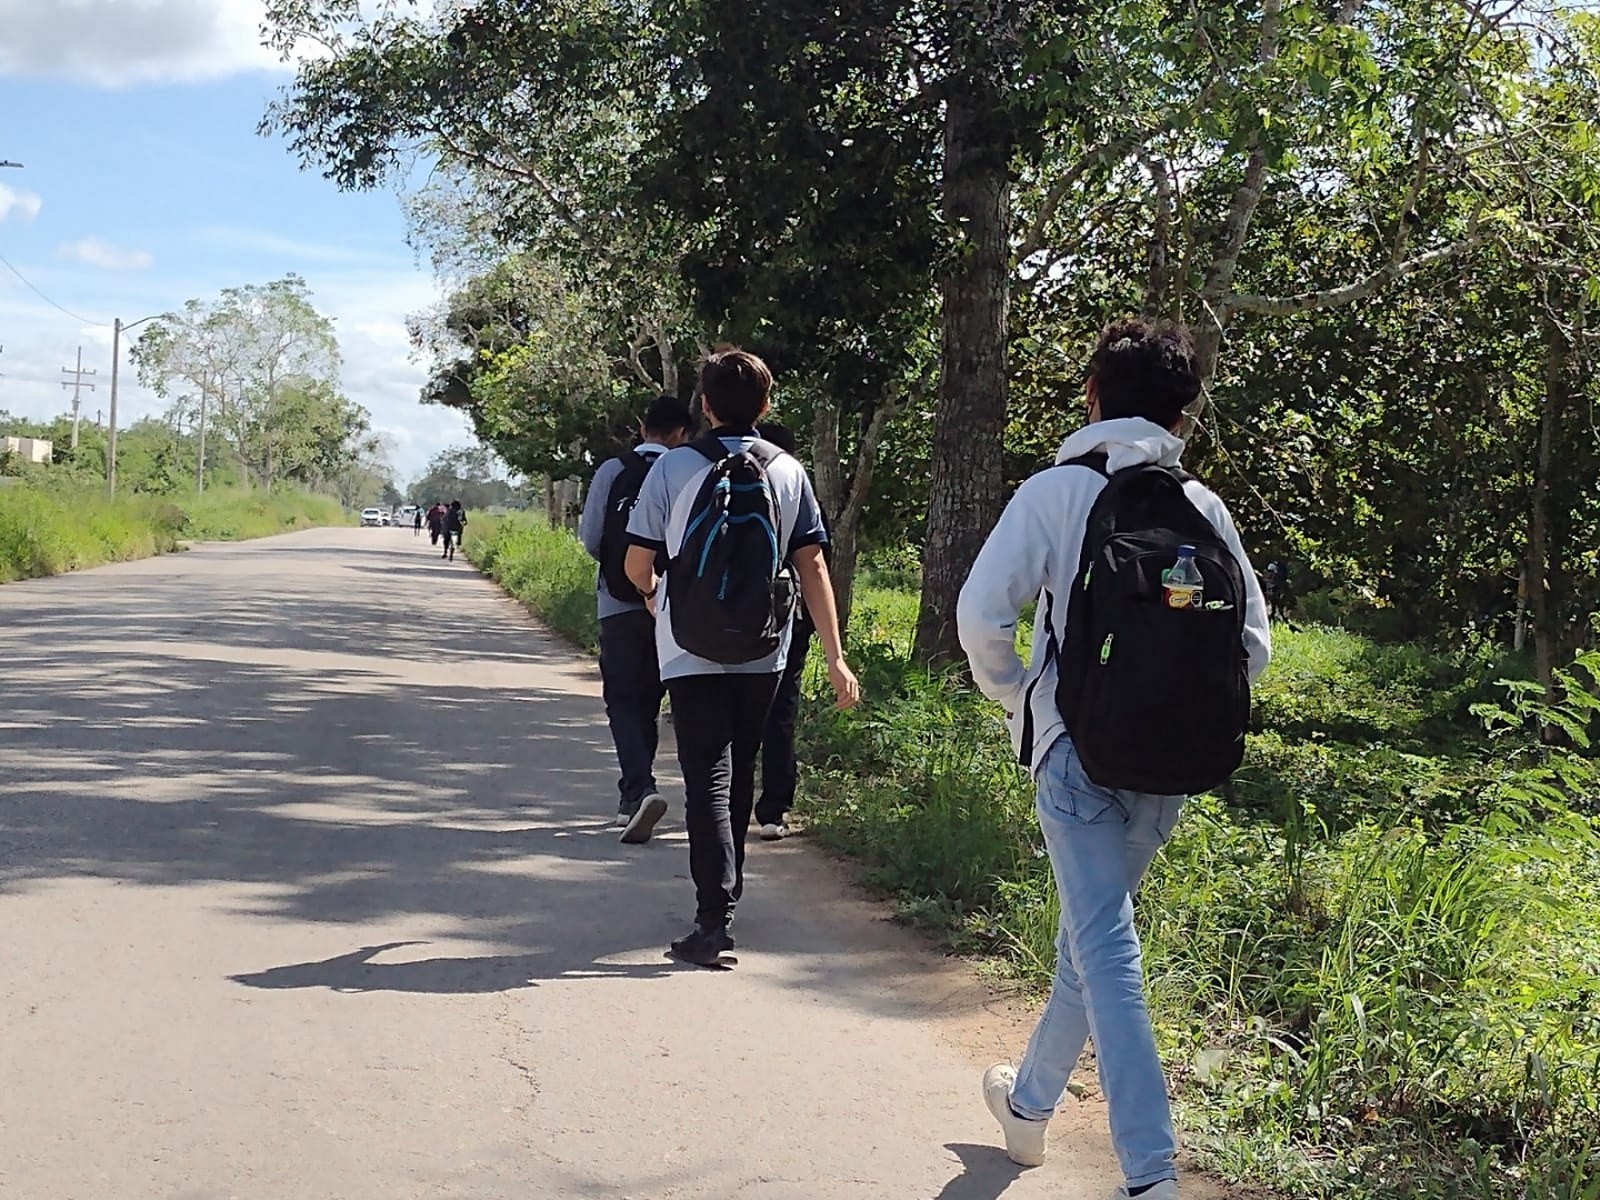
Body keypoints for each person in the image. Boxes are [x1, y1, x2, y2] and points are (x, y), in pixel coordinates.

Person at [957, 319, 1271, 1200]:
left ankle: (1150, 1177)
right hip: (1170, 764)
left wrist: (1022, 696)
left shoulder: (1055, 491)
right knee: (1090, 944)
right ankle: (1026, 1108)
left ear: (1092, 394)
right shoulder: (1203, 509)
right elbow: (1253, 649)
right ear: (1184, 415)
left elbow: (982, 616)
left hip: (1075, 750)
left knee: (1106, 948)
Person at [624, 348, 860, 967]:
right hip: (765, 647)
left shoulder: (673, 467)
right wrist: (836, 657)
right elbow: (812, 566)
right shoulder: (789, 471)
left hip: (688, 642)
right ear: (766, 404)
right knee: (741, 771)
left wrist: (655, 598)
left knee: (706, 777)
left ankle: (712, 921)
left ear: (703, 404)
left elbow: (636, 563)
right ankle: (725, 909)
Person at [579, 394, 695, 840]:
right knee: (671, 700)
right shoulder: (686, 469)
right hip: (674, 605)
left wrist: (620, 569)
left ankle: (637, 790)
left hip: (619, 602)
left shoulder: (613, 470)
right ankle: (681, 797)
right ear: (680, 433)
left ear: (643, 428)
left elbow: (591, 537)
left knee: (626, 702)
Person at [752, 421, 823, 842]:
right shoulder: (799, 488)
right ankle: (774, 810)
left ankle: (725, 802)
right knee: (780, 717)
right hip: (788, 619)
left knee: (732, 715)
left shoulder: (726, 482)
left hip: (731, 622)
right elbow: (817, 563)